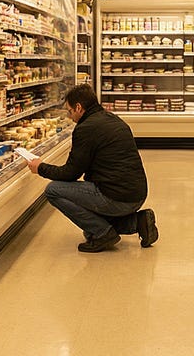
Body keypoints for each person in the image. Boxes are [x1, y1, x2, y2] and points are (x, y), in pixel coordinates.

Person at [29, 85, 157, 253]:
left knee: (53, 190)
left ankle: (103, 233)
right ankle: (137, 222)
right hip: (137, 194)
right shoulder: (112, 119)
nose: (70, 117)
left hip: (116, 197)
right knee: (88, 226)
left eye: (70, 111)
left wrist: (41, 168)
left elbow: (71, 173)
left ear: (79, 107)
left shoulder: (85, 128)